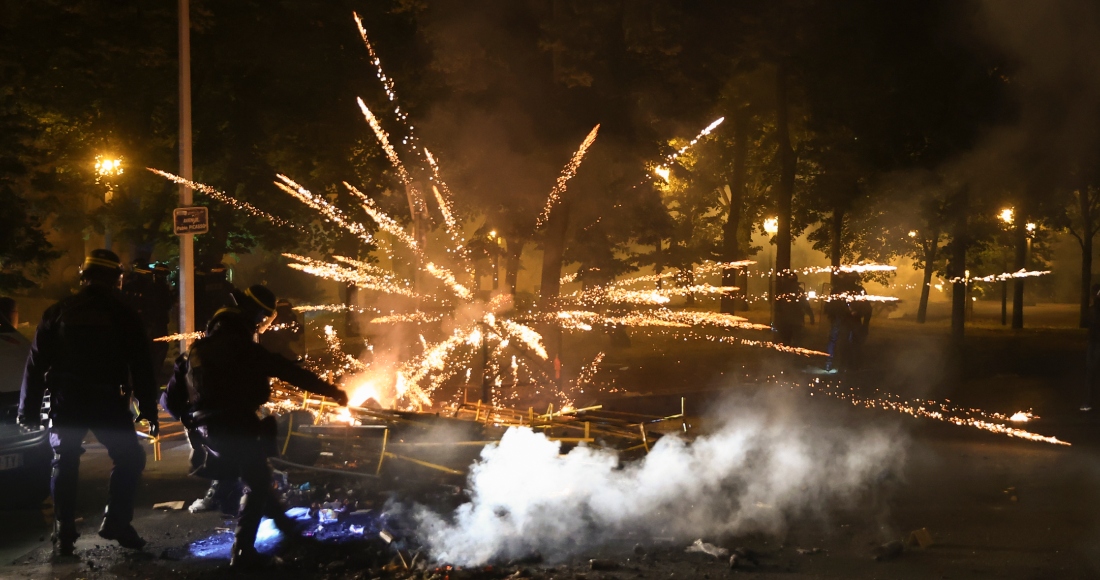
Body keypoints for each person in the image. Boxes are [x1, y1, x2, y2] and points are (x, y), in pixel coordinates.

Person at [163, 284, 348, 568]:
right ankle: (244, 552)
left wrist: (195, 421)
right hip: (239, 425)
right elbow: (291, 372)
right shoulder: (246, 349)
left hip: (209, 434)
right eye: (262, 319)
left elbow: (170, 402)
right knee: (258, 482)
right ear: (252, 318)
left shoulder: (194, 353)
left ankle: (285, 532)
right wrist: (332, 391)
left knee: (257, 480)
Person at [17, 249, 159, 556]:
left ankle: (63, 533)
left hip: (67, 400)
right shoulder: (124, 314)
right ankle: (117, 521)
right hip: (108, 402)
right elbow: (142, 365)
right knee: (130, 458)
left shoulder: (58, 312)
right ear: (116, 279)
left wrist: (27, 410)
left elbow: (36, 364)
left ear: (84, 276)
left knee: (64, 461)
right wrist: (148, 407)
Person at [773, 272, 815, 345]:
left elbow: (777, 306)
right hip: (796, 319)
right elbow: (805, 304)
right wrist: (811, 316)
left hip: (786, 320)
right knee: (796, 341)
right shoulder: (798, 291)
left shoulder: (782, 291)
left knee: (786, 341)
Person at [1084, 284, 1100, 412]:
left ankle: (1090, 401)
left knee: (1092, 372)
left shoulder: (1094, 309)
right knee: (1091, 373)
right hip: (1094, 342)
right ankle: (1089, 401)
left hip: (1096, 342)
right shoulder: (1093, 309)